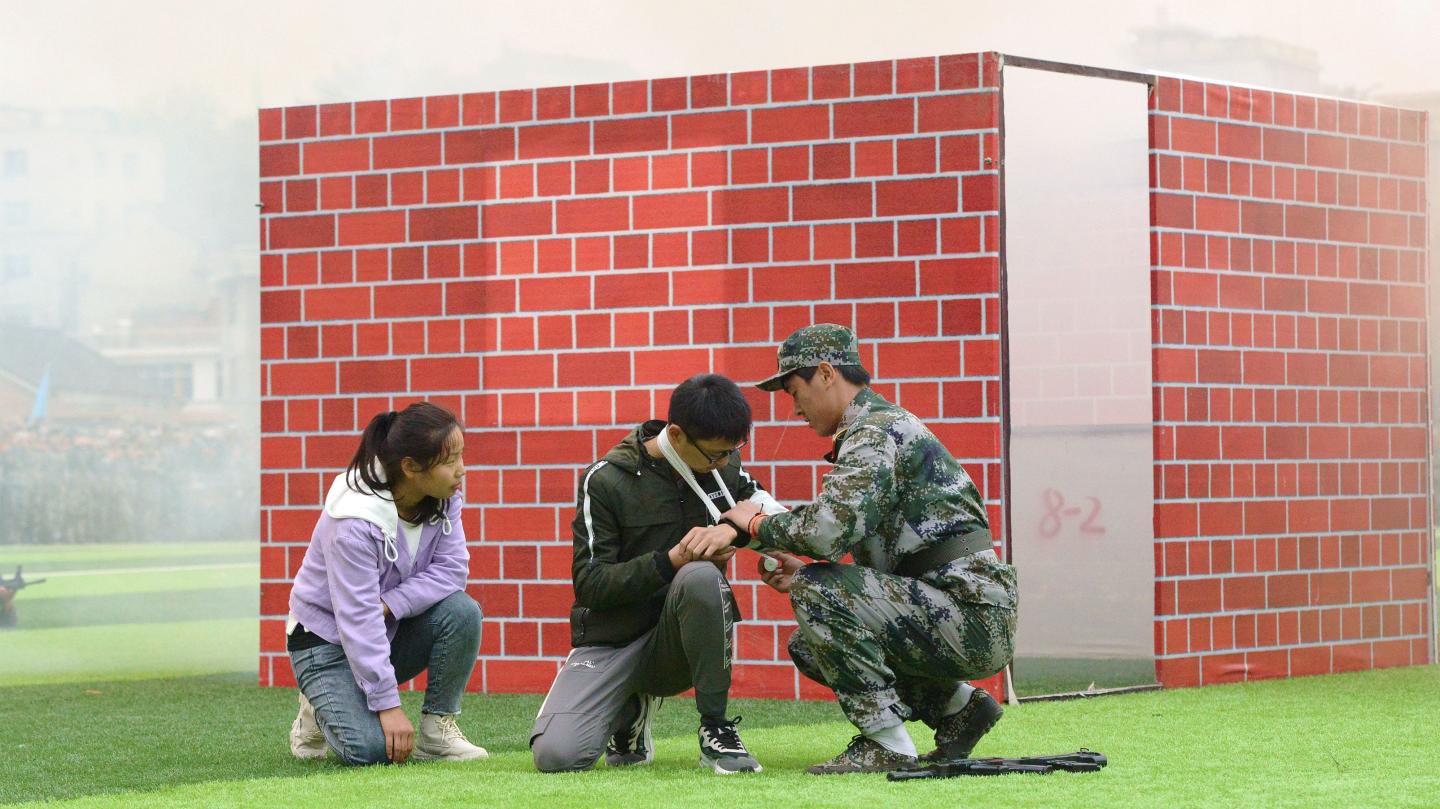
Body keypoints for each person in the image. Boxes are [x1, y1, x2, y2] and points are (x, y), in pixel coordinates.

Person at [719, 324, 1018, 775]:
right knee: (810, 644)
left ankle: (888, 745)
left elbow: (826, 533)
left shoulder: (873, 432)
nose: (794, 408)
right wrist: (802, 570)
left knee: (818, 589)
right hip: (963, 611)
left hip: (970, 616)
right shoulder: (879, 426)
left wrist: (755, 523)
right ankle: (959, 708)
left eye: (794, 391)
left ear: (826, 374)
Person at [530, 374, 784, 774]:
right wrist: (670, 560)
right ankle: (629, 709)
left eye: (732, 451)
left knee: (701, 576)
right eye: (715, 455)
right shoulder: (606, 479)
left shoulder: (725, 465)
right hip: (612, 641)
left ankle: (715, 727)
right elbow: (591, 585)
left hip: (676, 645)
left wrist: (732, 530)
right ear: (677, 434)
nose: (723, 462)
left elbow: (775, 517)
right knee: (556, 756)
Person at [285, 402, 488, 765]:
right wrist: (388, 706)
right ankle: (318, 704)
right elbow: (358, 621)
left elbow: (452, 570)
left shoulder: (445, 497)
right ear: (410, 467)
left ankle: (436, 732)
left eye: (461, 455)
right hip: (324, 642)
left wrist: (392, 604)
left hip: (383, 626)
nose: (462, 469)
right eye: (449, 460)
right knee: (371, 752)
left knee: (461, 612)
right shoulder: (352, 523)